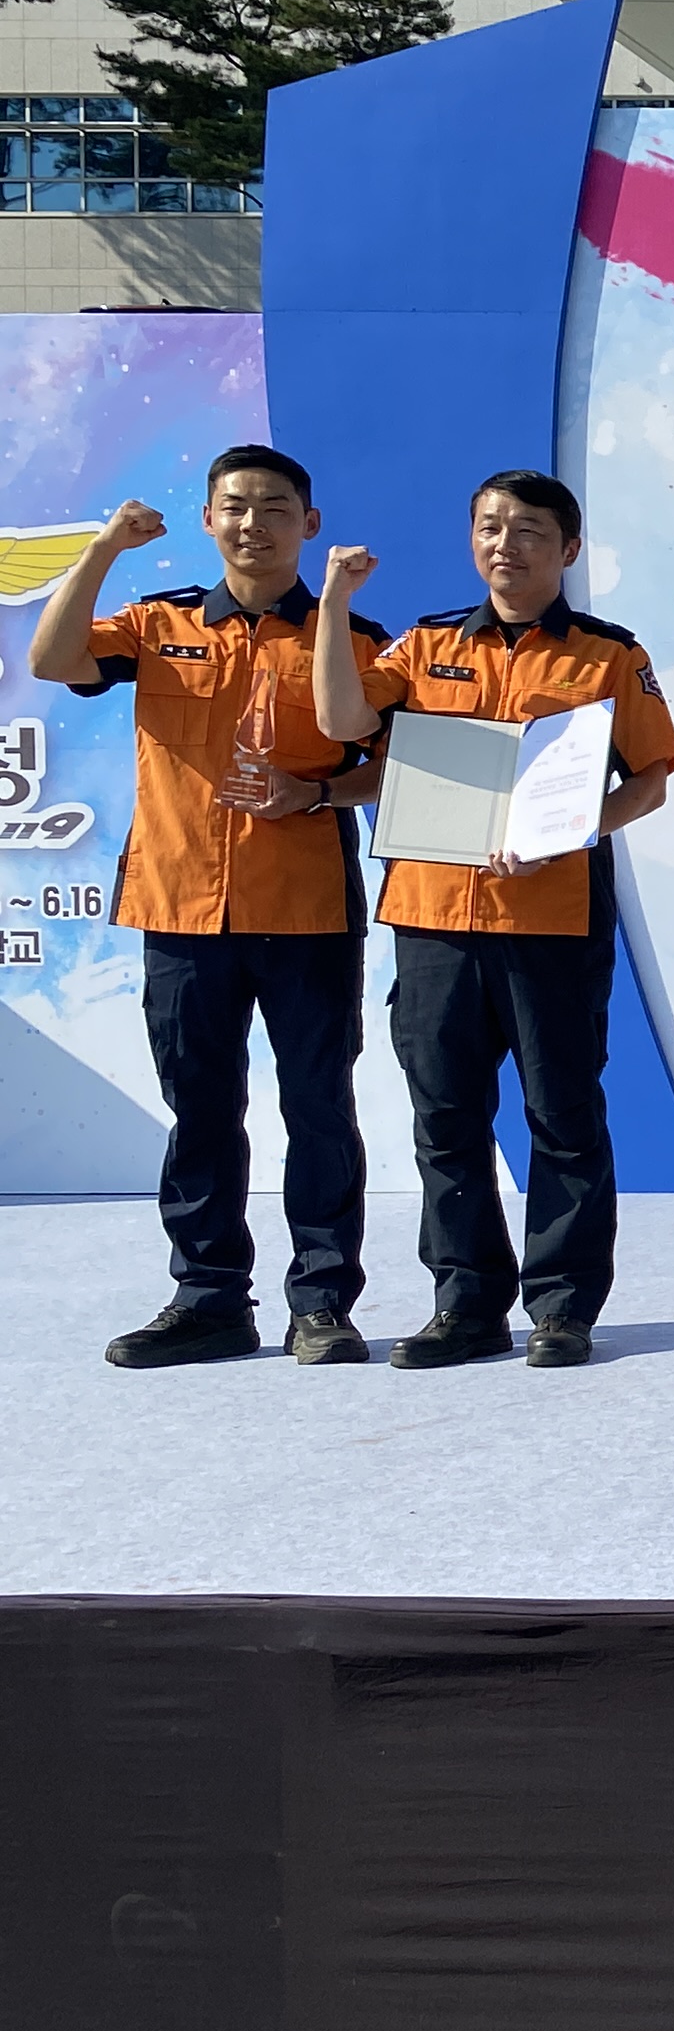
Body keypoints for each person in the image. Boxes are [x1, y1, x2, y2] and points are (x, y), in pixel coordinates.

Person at [316, 471, 674, 1371]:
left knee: (562, 1115)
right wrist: (334, 601)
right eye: (489, 527)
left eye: (527, 530)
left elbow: (650, 781)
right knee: (446, 1119)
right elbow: (342, 717)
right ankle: (466, 1305)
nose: (504, 545)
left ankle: (562, 1308)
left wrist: (567, 833)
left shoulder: (607, 656)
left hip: (552, 919)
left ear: (568, 548)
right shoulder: (427, 643)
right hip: (434, 918)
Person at [28, 448, 386, 1367]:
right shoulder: (159, 623)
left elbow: (391, 767)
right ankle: (209, 1300)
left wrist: (314, 794)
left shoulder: (352, 636)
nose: (252, 524)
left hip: (307, 912)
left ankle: (322, 1303)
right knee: (200, 1110)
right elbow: (51, 658)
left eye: (274, 507)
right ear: (208, 520)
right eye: (234, 506)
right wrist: (104, 549)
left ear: (308, 523)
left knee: (318, 1108)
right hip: (182, 907)